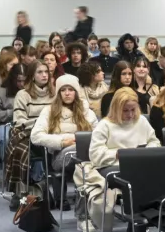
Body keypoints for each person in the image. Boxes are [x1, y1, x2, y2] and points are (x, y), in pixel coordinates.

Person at [88, 88, 162, 232]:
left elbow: (155, 142)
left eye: (133, 110)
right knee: (136, 184)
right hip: (110, 167)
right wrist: (118, 154)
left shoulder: (141, 122)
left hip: (139, 166)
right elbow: (95, 155)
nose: (130, 115)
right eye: (125, 111)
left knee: (149, 181)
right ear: (116, 108)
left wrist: (144, 151)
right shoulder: (105, 125)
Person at [30, 74, 97, 216]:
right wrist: (62, 142)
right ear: (58, 93)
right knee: (79, 156)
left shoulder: (86, 111)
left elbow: (98, 134)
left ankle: (86, 201)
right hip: (60, 155)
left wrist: (81, 141)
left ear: (76, 92)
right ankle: (83, 204)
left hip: (84, 153)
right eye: (63, 90)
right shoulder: (49, 111)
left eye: (70, 89)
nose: (67, 93)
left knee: (86, 162)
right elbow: (35, 136)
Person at [5, 61, 54, 201]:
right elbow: (19, 120)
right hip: (28, 131)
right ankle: (25, 189)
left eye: (46, 72)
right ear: (32, 75)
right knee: (24, 148)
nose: (44, 75)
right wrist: (40, 123)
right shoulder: (23, 94)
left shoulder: (55, 93)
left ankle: (47, 188)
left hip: (51, 132)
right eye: (40, 72)